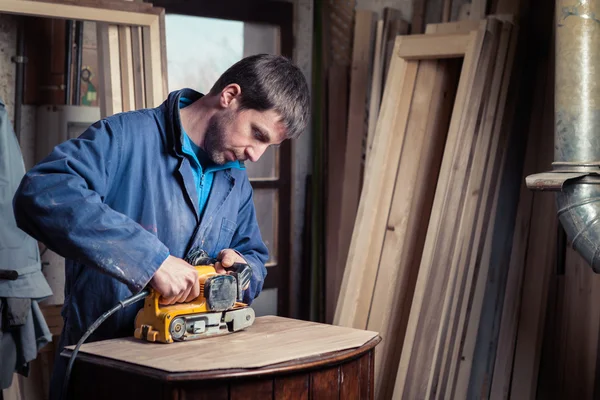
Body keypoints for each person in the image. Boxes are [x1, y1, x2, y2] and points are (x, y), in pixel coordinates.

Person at [12, 53, 310, 400]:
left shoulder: (234, 179)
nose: (256, 155)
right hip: (104, 372)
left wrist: (244, 272)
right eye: (257, 134)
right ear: (230, 96)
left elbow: (254, 257)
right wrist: (149, 260)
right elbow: (41, 192)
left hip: (192, 372)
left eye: (268, 145)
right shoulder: (124, 137)